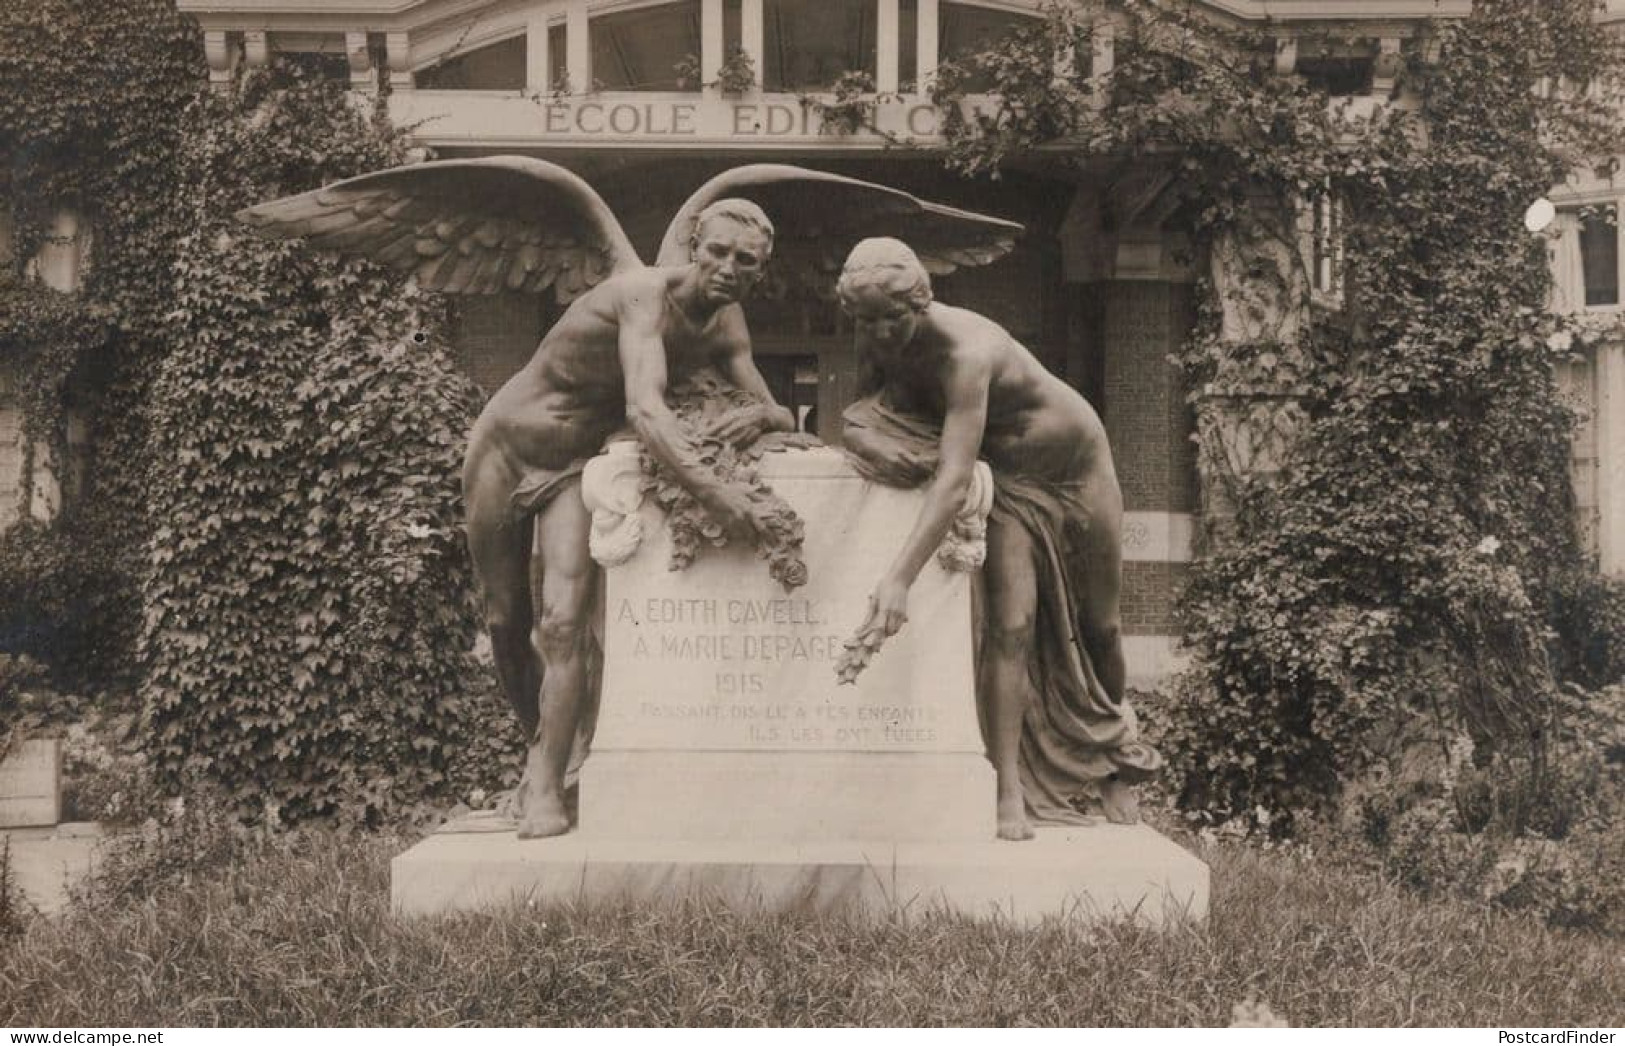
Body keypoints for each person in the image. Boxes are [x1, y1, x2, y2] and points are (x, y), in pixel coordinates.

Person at [462, 199, 795, 838]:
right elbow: (645, 410)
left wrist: (762, 418)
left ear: (759, 272)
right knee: (507, 619)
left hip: (572, 467)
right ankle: (540, 754)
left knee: (562, 625)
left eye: (744, 261)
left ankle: (546, 786)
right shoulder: (643, 296)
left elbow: (771, 408)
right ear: (695, 247)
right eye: (718, 251)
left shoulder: (727, 325)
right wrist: (718, 495)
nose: (727, 268)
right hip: (506, 448)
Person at [837, 237, 1160, 841]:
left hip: (1075, 471)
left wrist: (899, 578)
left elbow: (954, 477)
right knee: (1010, 626)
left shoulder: (966, 351)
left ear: (920, 303)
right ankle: (1007, 788)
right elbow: (862, 411)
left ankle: (1121, 757)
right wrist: (868, 441)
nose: (880, 334)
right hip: (1009, 480)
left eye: (892, 319)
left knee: (1102, 626)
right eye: (866, 320)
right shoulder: (874, 330)